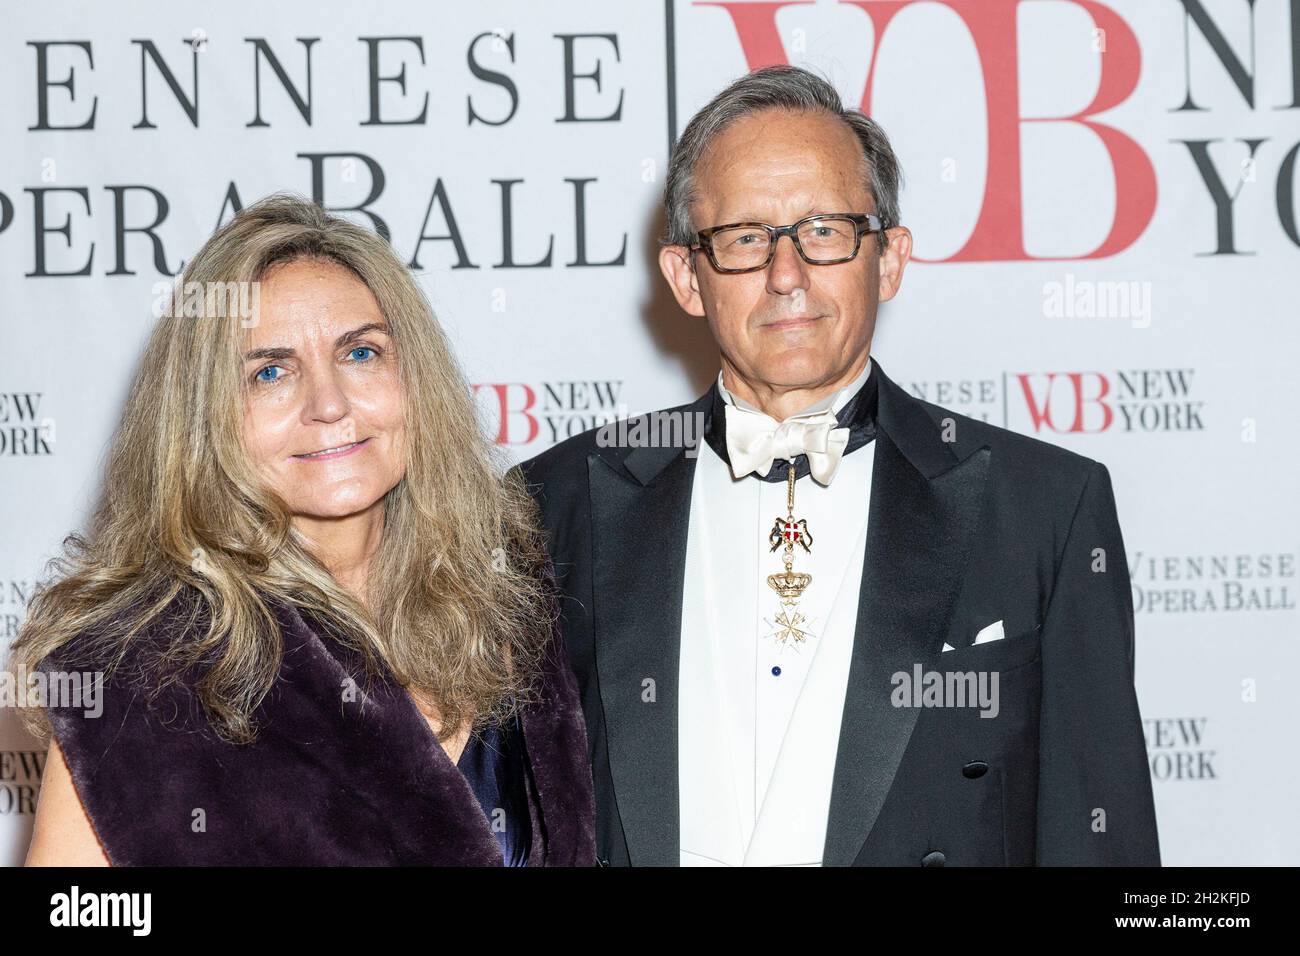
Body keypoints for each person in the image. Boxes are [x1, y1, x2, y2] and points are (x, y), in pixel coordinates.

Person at [517, 65, 1160, 866]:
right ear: (687, 277)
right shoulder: (549, 505)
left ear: (889, 259)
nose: (787, 277)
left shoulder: (1046, 510)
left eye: (824, 231)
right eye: (746, 238)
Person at [11, 193, 595, 866]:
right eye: (270, 371)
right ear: (206, 420)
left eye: (361, 354)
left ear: (414, 377)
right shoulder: (137, 679)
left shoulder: (517, 599)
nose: (329, 404)